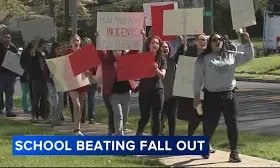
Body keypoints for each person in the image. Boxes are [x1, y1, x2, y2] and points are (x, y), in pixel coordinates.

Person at [193, 32, 254, 162]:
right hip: (211, 96)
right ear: (210, 43)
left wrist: (247, 42)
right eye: (214, 40)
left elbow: (249, 56)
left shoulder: (231, 55)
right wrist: (196, 97)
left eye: (220, 39)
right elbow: (197, 79)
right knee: (210, 124)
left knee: (232, 123)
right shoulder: (203, 58)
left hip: (229, 95)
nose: (218, 42)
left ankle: (234, 152)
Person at [136, 36, 167, 136]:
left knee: (157, 116)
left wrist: (156, 69)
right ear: (149, 45)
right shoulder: (142, 57)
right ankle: (139, 133)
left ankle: (155, 139)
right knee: (145, 116)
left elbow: (162, 75)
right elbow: (136, 72)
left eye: (157, 43)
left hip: (157, 91)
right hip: (144, 90)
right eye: (153, 43)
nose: (155, 45)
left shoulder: (162, 59)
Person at [68, 34, 93, 135]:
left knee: (80, 106)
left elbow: (90, 67)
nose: (76, 42)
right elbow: (61, 67)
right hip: (71, 83)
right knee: (77, 105)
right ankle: (76, 129)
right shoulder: (67, 53)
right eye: (74, 40)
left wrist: (88, 72)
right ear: (71, 43)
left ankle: (78, 129)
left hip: (82, 81)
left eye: (77, 40)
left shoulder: (85, 53)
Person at [107, 50, 136, 136]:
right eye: (115, 51)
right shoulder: (109, 63)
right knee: (118, 114)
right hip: (114, 94)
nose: (118, 52)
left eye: (119, 50)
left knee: (124, 116)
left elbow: (131, 73)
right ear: (112, 52)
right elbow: (106, 77)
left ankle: (119, 132)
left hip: (126, 92)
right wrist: (114, 70)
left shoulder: (127, 60)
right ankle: (119, 134)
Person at [160, 41, 180, 136]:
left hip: (172, 95)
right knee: (159, 118)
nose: (165, 49)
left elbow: (180, 53)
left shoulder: (173, 59)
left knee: (172, 119)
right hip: (159, 94)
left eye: (166, 47)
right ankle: (159, 133)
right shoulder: (155, 60)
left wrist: (183, 42)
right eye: (162, 47)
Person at [43, 42, 64, 127]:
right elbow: (44, 72)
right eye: (58, 48)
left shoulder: (62, 58)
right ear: (54, 48)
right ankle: (53, 120)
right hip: (51, 83)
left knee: (60, 101)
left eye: (60, 48)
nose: (60, 50)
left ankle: (58, 119)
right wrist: (49, 76)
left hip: (61, 83)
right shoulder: (48, 58)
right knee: (55, 101)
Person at [29, 37, 50, 122]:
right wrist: (37, 42)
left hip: (45, 79)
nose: (46, 46)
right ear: (41, 44)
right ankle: (34, 115)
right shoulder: (36, 53)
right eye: (45, 44)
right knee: (36, 99)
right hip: (36, 79)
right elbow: (32, 53)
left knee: (46, 99)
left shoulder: (46, 53)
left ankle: (46, 116)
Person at [0, 30, 18, 117]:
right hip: (1, 73)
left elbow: (17, 59)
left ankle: (9, 110)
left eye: (9, 38)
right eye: (6, 37)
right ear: (2, 38)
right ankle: (0, 108)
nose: (7, 39)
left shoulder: (13, 48)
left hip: (10, 74)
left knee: (10, 93)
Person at [81, 37, 96, 124]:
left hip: (91, 79)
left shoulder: (93, 54)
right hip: (82, 79)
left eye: (87, 44)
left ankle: (91, 117)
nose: (86, 46)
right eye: (84, 45)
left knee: (91, 99)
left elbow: (96, 67)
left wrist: (93, 76)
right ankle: (82, 117)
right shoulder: (80, 54)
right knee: (83, 99)